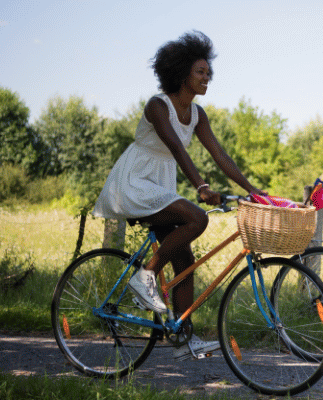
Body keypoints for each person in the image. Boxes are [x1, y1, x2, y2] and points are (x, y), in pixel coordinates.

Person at [94, 31, 265, 360]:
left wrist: (252, 189)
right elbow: (176, 147)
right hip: (134, 181)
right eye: (200, 71)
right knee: (196, 217)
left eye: (208, 72)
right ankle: (145, 277)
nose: (207, 77)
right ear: (181, 72)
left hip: (160, 186)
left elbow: (220, 155)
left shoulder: (198, 114)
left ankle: (184, 337)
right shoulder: (158, 106)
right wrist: (201, 186)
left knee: (185, 263)